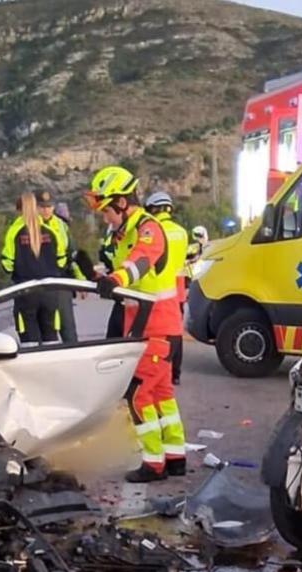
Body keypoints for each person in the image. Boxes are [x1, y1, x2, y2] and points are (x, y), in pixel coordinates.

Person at [85, 166, 186, 483]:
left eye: (106, 211)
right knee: (161, 395)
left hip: (156, 325)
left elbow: (140, 263)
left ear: (121, 202)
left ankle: (153, 464)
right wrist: (101, 280)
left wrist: (116, 278)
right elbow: (127, 274)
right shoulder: (125, 232)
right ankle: (175, 456)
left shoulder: (147, 229)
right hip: (149, 325)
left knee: (138, 395)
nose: (104, 218)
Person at [1, 192, 63, 345]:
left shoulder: (14, 232)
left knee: (30, 342)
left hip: (26, 292)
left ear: (19, 210)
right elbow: (62, 261)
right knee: (51, 339)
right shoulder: (51, 232)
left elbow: (7, 264)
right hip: (50, 292)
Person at [143, 192, 189, 385]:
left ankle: (159, 372)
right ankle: (175, 373)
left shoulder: (155, 231)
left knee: (158, 338)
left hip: (158, 289)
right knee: (176, 332)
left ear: (153, 209)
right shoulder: (182, 232)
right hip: (177, 287)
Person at [37, 190, 81, 343]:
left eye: (49, 206)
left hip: (61, 281)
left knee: (68, 330)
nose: (46, 210)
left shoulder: (61, 225)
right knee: (47, 332)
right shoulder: (29, 226)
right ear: (35, 208)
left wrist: (80, 281)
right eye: (42, 207)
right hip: (39, 284)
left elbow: (72, 254)